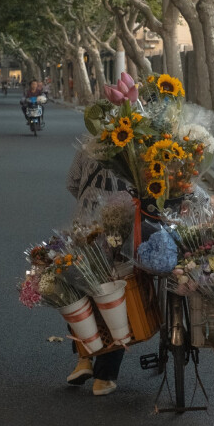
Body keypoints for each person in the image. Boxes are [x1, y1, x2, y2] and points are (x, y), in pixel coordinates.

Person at [66, 149, 128, 396]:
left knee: (80, 289)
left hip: (86, 220)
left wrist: (92, 200)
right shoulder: (142, 140)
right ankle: (104, 377)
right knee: (116, 294)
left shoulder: (87, 146)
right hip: (121, 226)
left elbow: (72, 182)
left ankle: (84, 359)